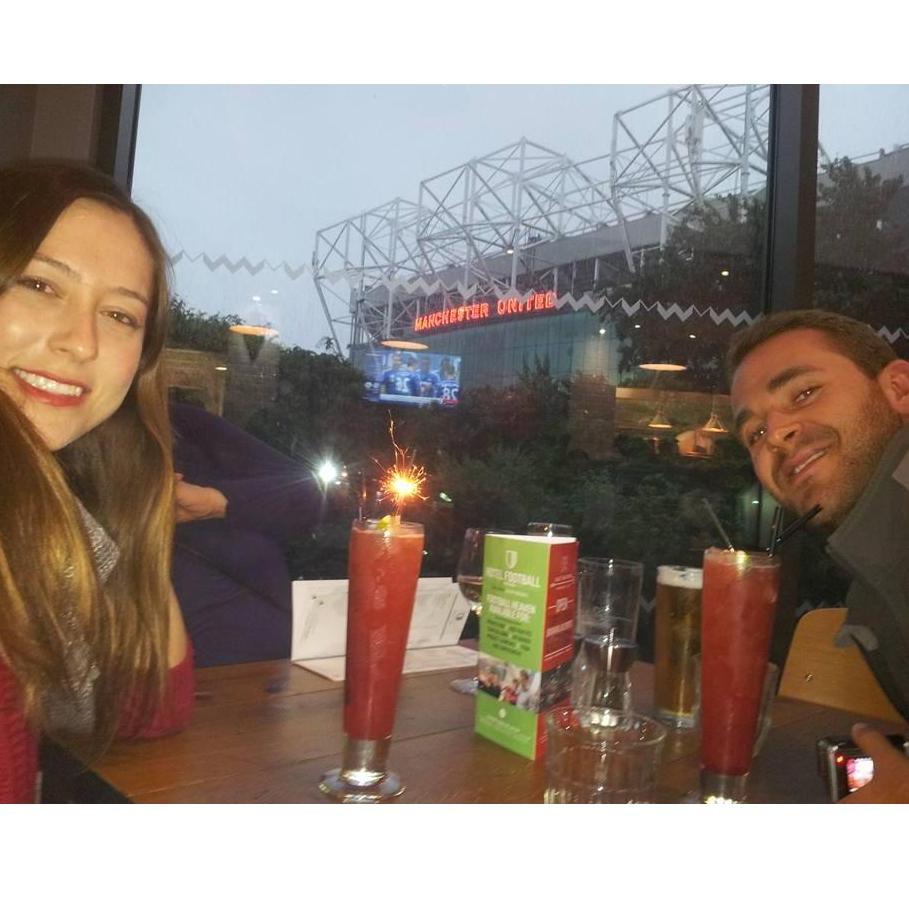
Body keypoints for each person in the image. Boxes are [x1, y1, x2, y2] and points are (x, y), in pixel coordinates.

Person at [0, 161, 194, 803]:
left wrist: (142, 497)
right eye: (40, 284)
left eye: (119, 316)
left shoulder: (47, 511)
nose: (82, 342)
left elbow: (147, 702)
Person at [727, 308, 909, 803]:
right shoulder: (873, 587)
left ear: (900, 390)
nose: (778, 434)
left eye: (805, 393)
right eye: (755, 435)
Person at [170, 401, 324, 666]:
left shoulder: (185, 427)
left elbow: (309, 494)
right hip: (177, 687)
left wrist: (215, 503)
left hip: (281, 673)